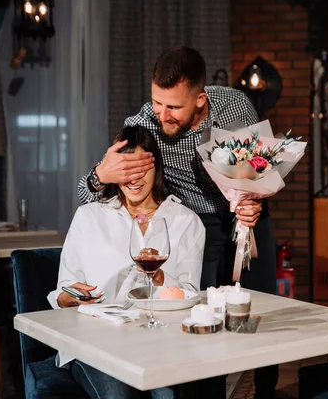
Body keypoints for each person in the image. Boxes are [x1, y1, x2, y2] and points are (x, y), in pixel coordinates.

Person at [77, 46, 279, 399]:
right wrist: (99, 174)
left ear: (200, 99)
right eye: (157, 102)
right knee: (200, 318)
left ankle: (263, 391)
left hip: (249, 220)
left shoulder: (235, 106)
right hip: (197, 225)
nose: (162, 114)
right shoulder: (143, 124)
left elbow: (261, 170)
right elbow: (89, 196)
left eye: (173, 107)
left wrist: (255, 203)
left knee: (260, 314)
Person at [26, 125, 205, 399]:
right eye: (125, 169)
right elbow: (62, 294)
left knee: (167, 396)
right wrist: (73, 297)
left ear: (157, 167)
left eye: (141, 168)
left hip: (160, 343)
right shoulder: (89, 216)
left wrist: (160, 279)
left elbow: (191, 293)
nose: (133, 178)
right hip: (95, 343)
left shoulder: (185, 222)